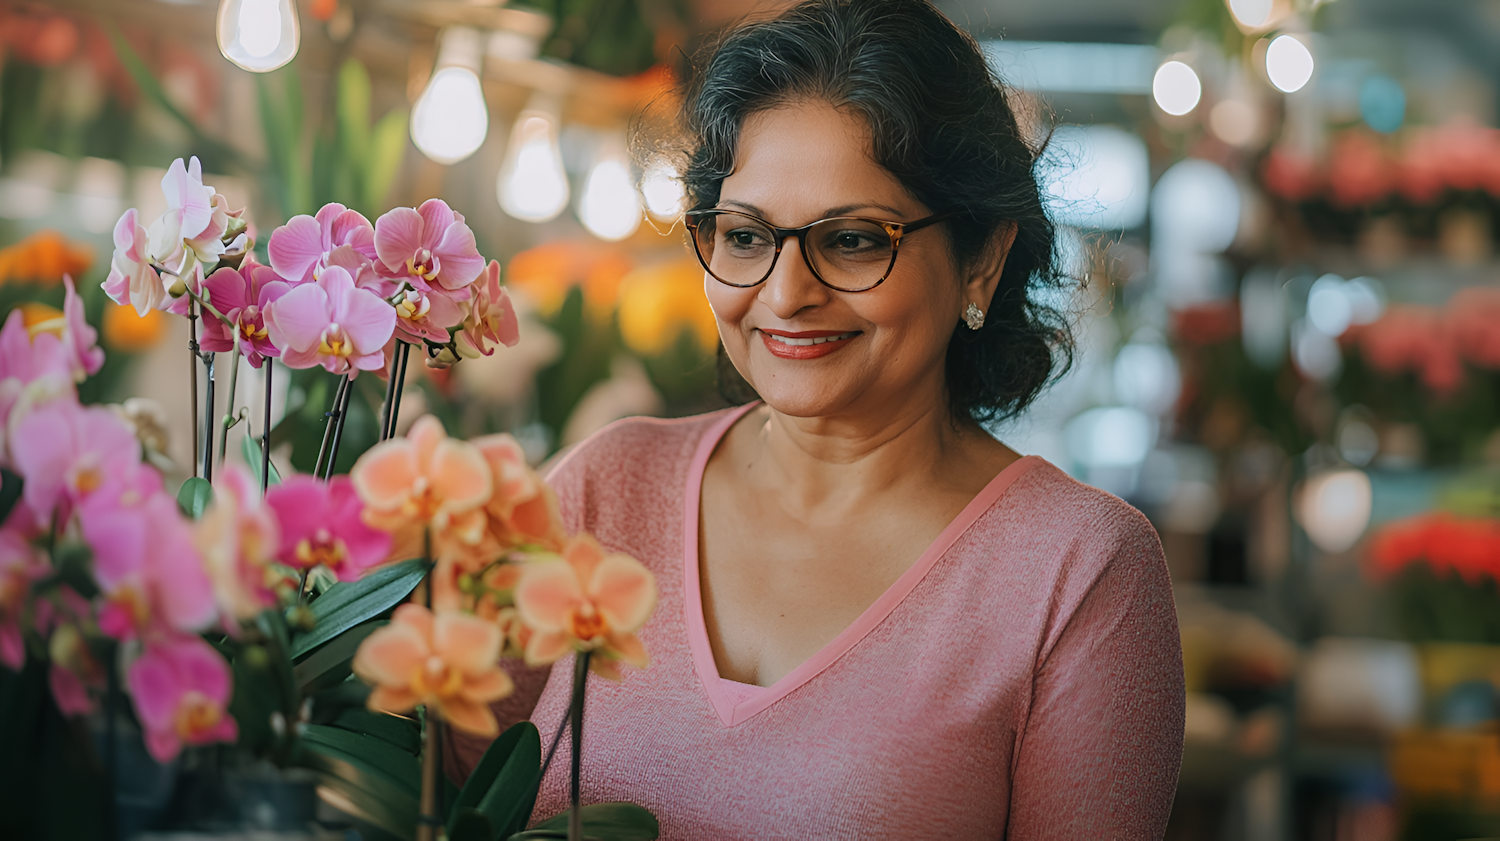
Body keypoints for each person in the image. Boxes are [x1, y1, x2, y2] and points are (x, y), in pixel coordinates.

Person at [451, 0, 1185, 836]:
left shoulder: (1080, 572)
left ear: (982, 256)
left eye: (854, 240)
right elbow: (440, 792)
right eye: (745, 235)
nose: (787, 294)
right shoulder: (605, 489)